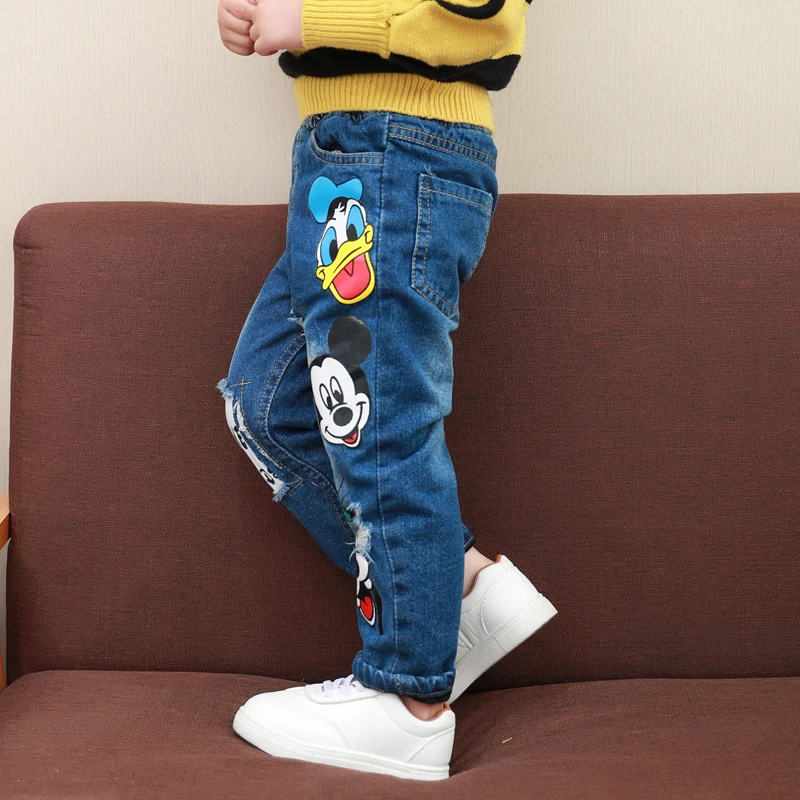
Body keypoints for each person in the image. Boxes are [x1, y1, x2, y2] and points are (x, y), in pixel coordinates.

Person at [215, 0, 557, 781]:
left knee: (379, 423)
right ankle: (459, 589)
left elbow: (484, 17)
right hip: (344, 157)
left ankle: (407, 699)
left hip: (398, 149)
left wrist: (311, 19)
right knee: (268, 404)